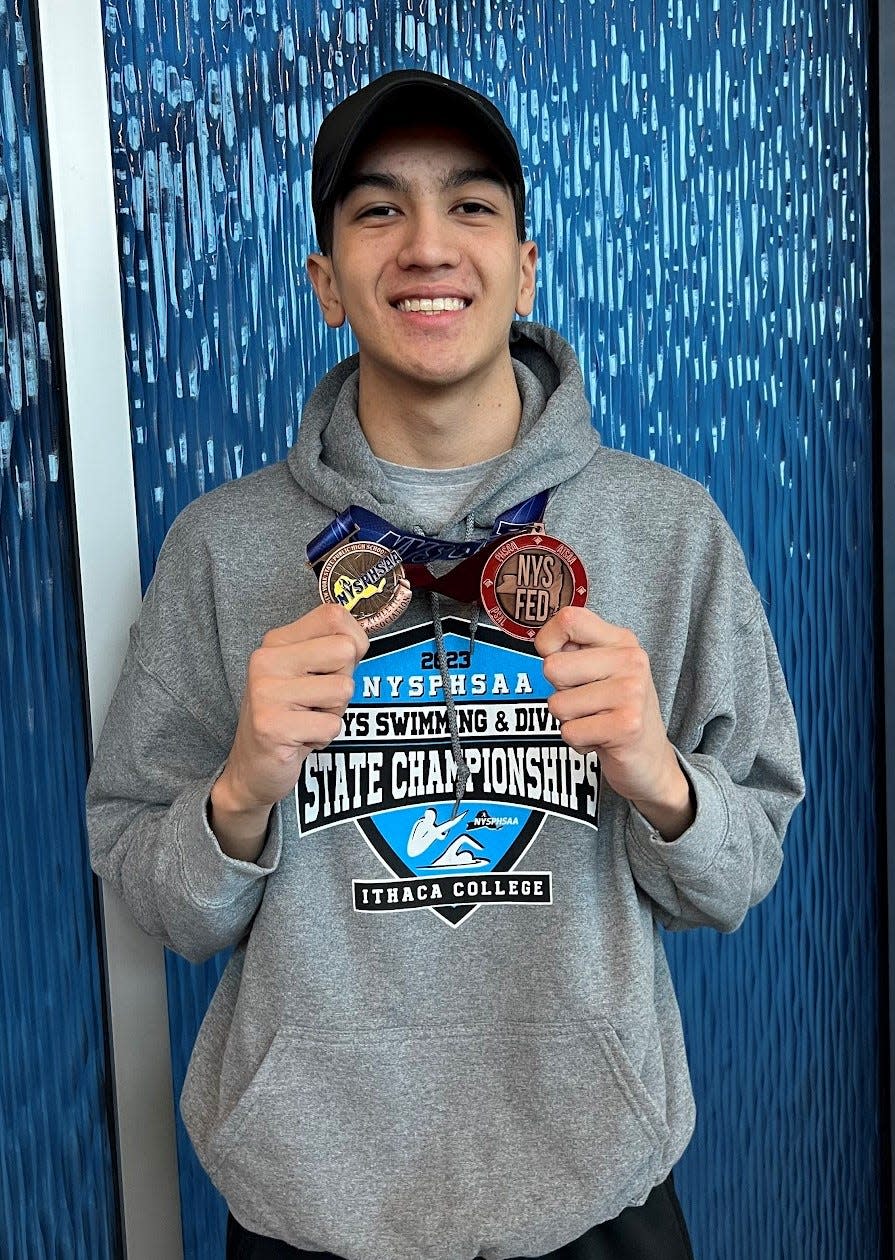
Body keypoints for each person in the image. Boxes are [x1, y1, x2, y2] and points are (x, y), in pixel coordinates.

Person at [87, 69, 805, 1260]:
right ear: (324, 283)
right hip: (308, 1202)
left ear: (525, 268)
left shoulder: (666, 531)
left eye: (470, 207)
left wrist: (659, 778)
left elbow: (739, 874)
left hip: (593, 1194)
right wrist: (239, 793)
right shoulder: (223, 548)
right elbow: (157, 897)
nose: (427, 245)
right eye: (377, 211)